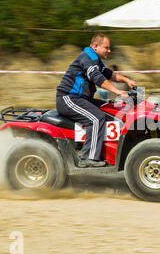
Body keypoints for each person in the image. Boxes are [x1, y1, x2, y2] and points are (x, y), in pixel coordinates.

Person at [56, 34, 136, 167]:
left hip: (82, 99)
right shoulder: (87, 58)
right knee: (96, 118)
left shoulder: (96, 60)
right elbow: (96, 77)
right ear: (95, 46)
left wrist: (127, 80)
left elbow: (110, 74)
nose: (109, 51)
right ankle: (88, 158)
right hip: (68, 98)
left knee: (110, 108)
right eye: (106, 47)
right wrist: (116, 91)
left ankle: (108, 150)